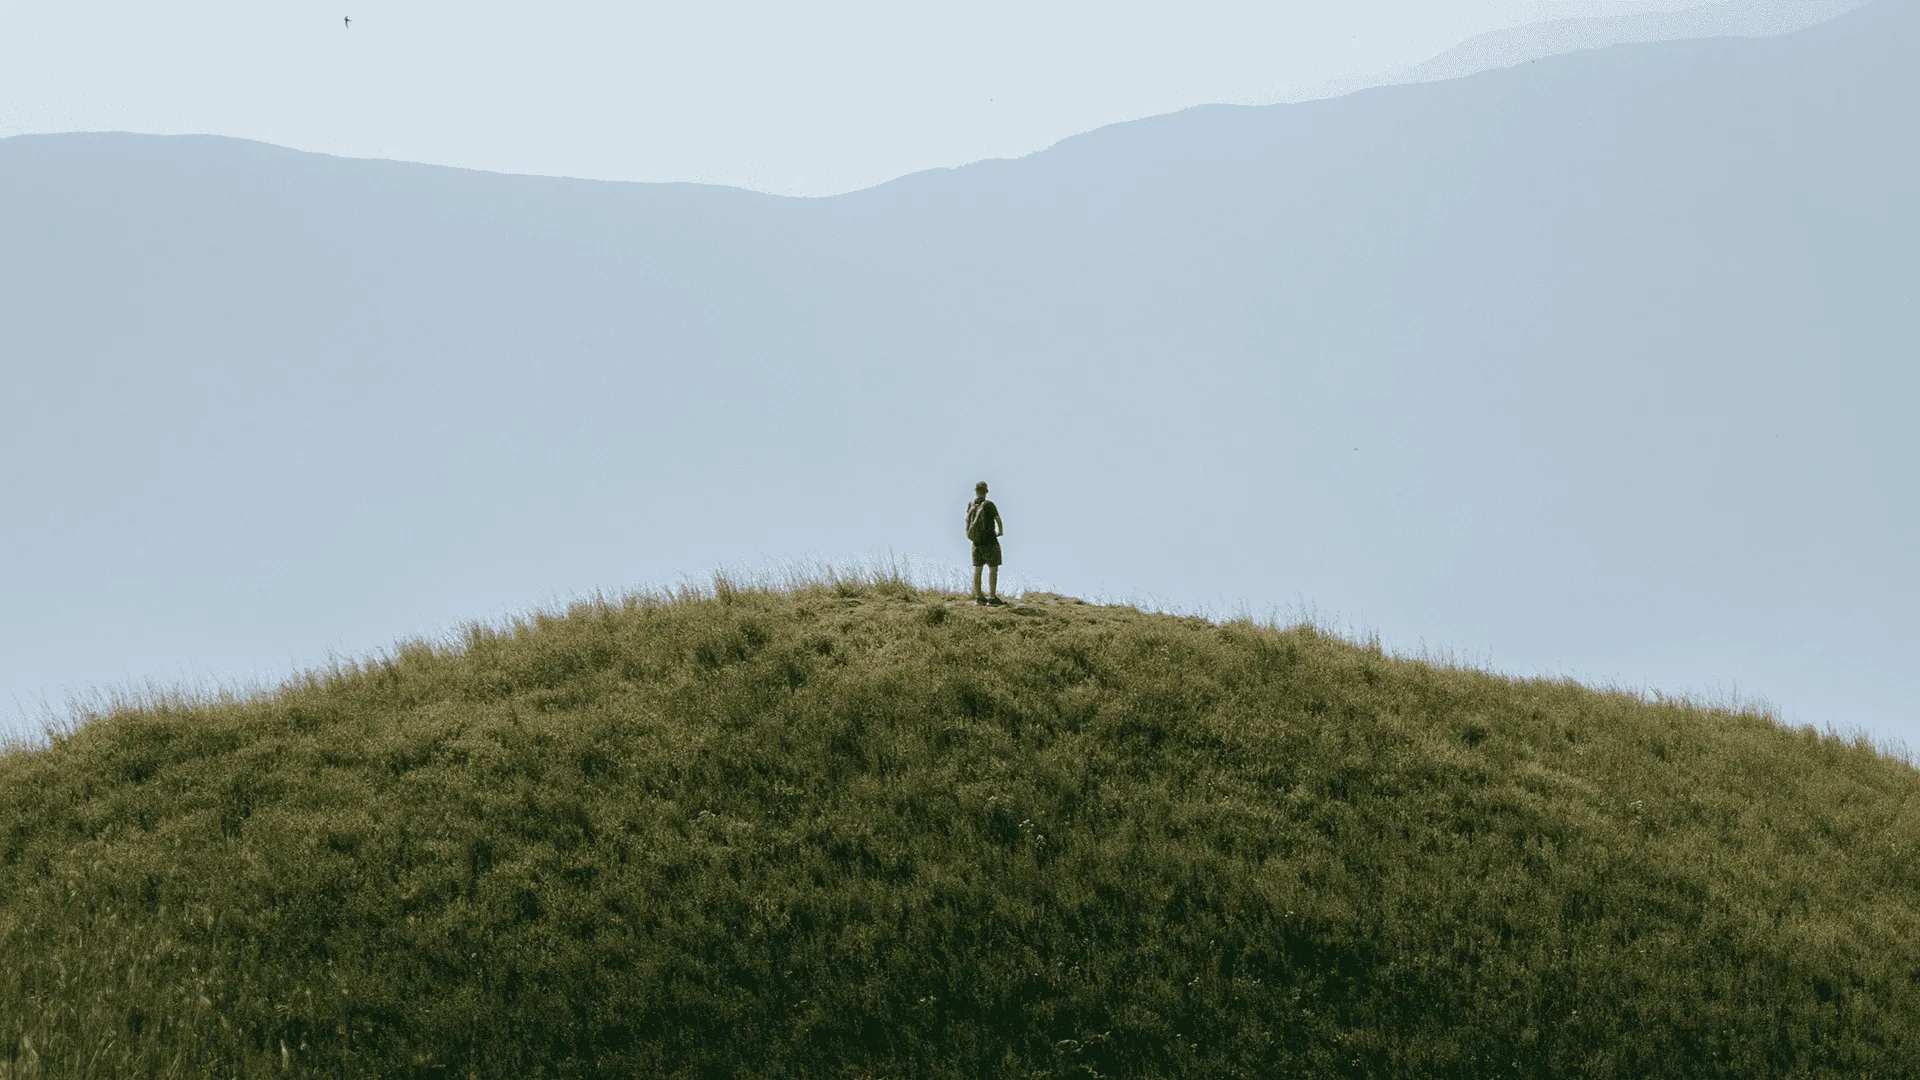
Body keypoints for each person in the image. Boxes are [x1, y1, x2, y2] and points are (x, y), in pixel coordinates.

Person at [965, 481, 1005, 605]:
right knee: (993, 569)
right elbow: (998, 520)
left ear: (975, 490)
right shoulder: (989, 504)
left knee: (978, 569)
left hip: (976, 543)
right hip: (990, 541)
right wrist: (1000, 532)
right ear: (986, 491)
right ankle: (992, 597)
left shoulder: (971, 504)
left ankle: (979, 598)